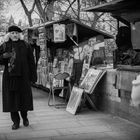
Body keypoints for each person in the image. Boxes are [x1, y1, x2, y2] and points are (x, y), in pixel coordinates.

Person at [0, 25, 37, 130]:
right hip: (10, 78)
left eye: (16, 33)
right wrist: (3, 57)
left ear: (19, 34)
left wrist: (33, 76)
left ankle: (25, 117)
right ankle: (15, 122)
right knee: (12, 100)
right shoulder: (4, 46)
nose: (14, 35)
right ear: (9, 34)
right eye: (12, 33)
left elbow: (31, 62)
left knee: (23, 99)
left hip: (24, 77)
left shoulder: (26, 45)